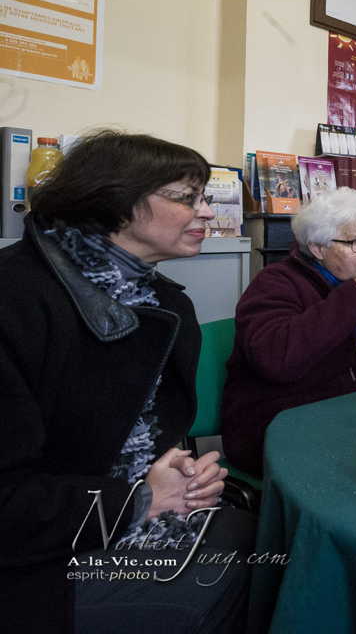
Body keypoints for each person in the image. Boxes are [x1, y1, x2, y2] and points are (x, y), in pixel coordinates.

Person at [0, 131, 251, 633]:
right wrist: (141, 499)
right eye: (186, 198)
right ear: (113, 203)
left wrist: (178, 472)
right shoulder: (15, 301)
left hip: (109, 519)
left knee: (262, 537)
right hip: (38, 566)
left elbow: (140, 434)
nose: (206, 213)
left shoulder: (165, 302)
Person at [222, 187, 356, 474]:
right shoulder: (275, 283)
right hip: (281, 424)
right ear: (317, 248)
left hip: (352, 410)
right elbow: (278, 359)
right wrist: (353, 301)